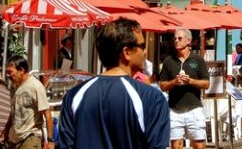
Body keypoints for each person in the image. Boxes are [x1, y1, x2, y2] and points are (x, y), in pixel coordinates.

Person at [58, 19, 170, 149]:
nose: (145, 52)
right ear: (126, 52)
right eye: (142, 46)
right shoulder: (151, 98)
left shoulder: (74, 96)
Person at [159, 28, 210, 149]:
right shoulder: (168, 61)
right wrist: (174, 82)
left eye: (179, 38)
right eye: (175, 38)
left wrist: (190, 81)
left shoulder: (198, 60)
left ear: (188, 41)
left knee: (199, 145)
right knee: (176, 145)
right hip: (175, 110)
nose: (176, 41)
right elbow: (162, 85)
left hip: (194, 109)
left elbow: (206, 84)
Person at [3, 56, 54, 149]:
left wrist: (50, 141)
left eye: (10, 72)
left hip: (30, 138)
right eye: (7, 72)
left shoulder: (35, 86)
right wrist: (5, 133)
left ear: (21, 70)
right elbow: (13, 113)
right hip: (14, 140)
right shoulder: (14, 86)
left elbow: (47, 114)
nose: (8, 75)